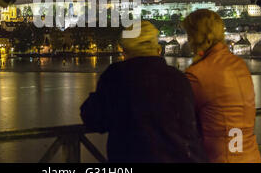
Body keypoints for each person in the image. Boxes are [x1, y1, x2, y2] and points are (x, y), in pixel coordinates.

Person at [80, 21, 207, 163]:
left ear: (125, 50)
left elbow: (93, 119)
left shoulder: (117, 76)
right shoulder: (179, 78)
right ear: (158, 49)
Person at [182, 9, 261, 163]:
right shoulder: (240, 65)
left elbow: (182, 118)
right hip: (250, 155)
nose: (189, 40)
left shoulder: (197, 73)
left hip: (221, 157)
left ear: (196, 37)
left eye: (189, 35)